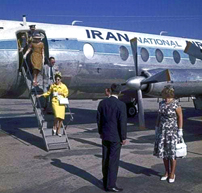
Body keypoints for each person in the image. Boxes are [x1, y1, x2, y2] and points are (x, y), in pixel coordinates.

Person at [97, 83, 127, 192]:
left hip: (105, 135)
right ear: (119, 92)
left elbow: (99, 120)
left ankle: (105, 182)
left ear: (110, 90)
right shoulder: (121, 105)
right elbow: (122, 123)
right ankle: (111, 185)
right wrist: (123, 137)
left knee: (105, 159)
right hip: (116, 137)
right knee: (113, 161)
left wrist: (100, 132)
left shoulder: (102, 103)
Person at [153, 85, 183, 183]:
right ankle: (166, 172)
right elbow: (159, 116)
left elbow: (180, 117)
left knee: (172, 154)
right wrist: (157, 127)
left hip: (172, 132)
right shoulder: (162, 103)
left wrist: (180, 130)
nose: (163, 96)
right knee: (164, 153)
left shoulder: (176, 104)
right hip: (163, 131)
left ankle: (172, 173)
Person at [37, 72, 69, 136]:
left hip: (61, 102)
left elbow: (66, 93)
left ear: (60, 80)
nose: (57, 81)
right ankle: (54, 126)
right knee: (57, 115)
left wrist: (61, 93)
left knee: (61, 118)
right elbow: (48, 93)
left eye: (58, 79)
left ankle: (58, 130)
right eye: (56, 79)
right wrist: (41, 95)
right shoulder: (53, 86)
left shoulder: (63, 86)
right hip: (55, 102)